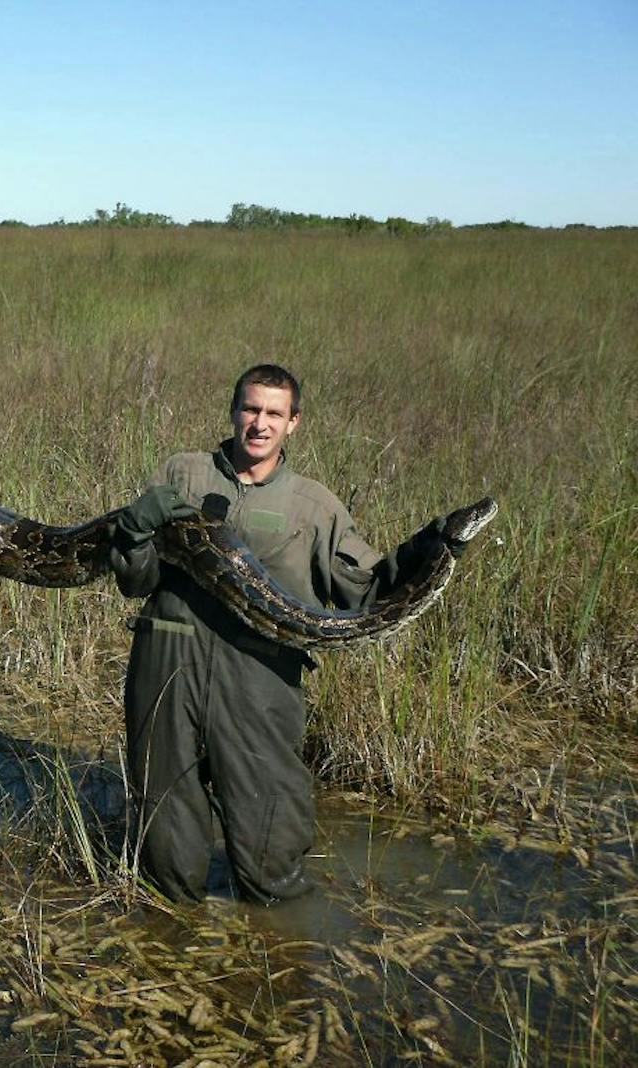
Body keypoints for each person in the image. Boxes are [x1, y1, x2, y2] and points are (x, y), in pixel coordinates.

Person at [110, 364, 454, 904]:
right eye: (251, 409)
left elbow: (365, 593)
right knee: (164, 820)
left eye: (274, 413)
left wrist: (427, 551)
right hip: (168, 656)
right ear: (233, 411)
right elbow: (138, 580)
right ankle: (173, 939)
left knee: (269, 828)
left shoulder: (313, 507)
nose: (260, 424)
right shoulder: (183, 474)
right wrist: (130, 534)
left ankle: (276, 945)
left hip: (259, 674)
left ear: (294, 423)